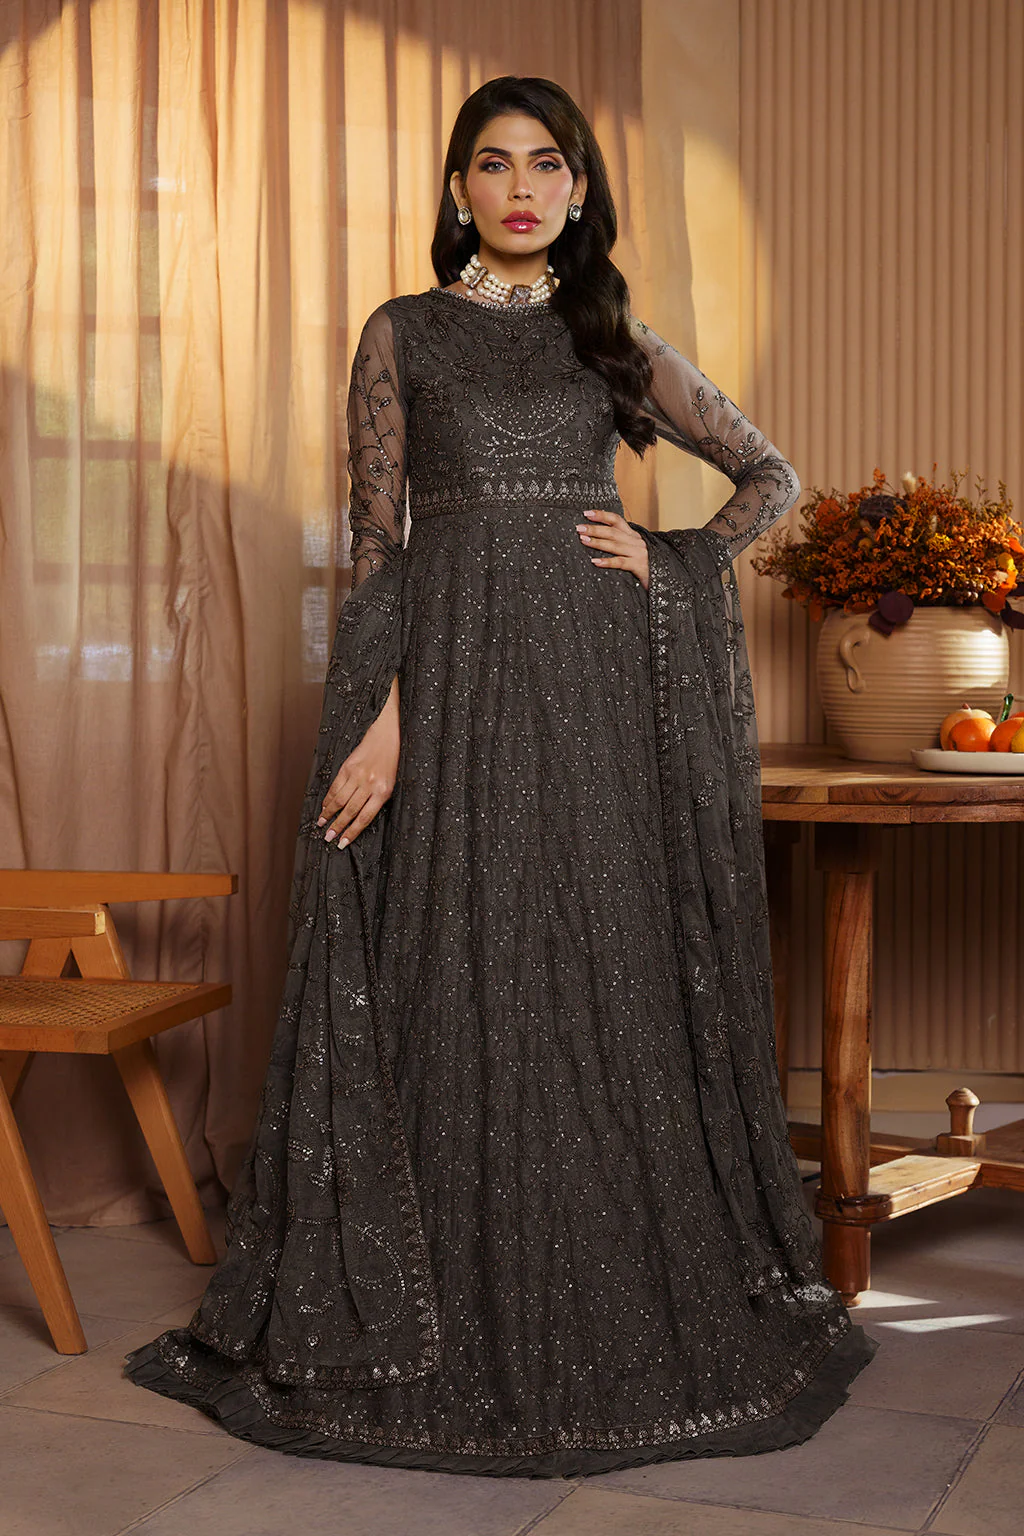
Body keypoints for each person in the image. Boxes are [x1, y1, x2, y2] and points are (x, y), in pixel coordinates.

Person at [123, 74, 877, 1478]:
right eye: (492, 163)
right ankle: (454, 1280)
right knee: (454, 955)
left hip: (595, 690)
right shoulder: (402, 334)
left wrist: (673, 558)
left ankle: (613, 1269)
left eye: (546, 165)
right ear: (458, 187)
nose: (520, 188)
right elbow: (380, 548)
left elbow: (769, 476)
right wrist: (382, 718)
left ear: (580, 191)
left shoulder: (609, 338)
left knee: (593, 963)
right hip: (448, 688)